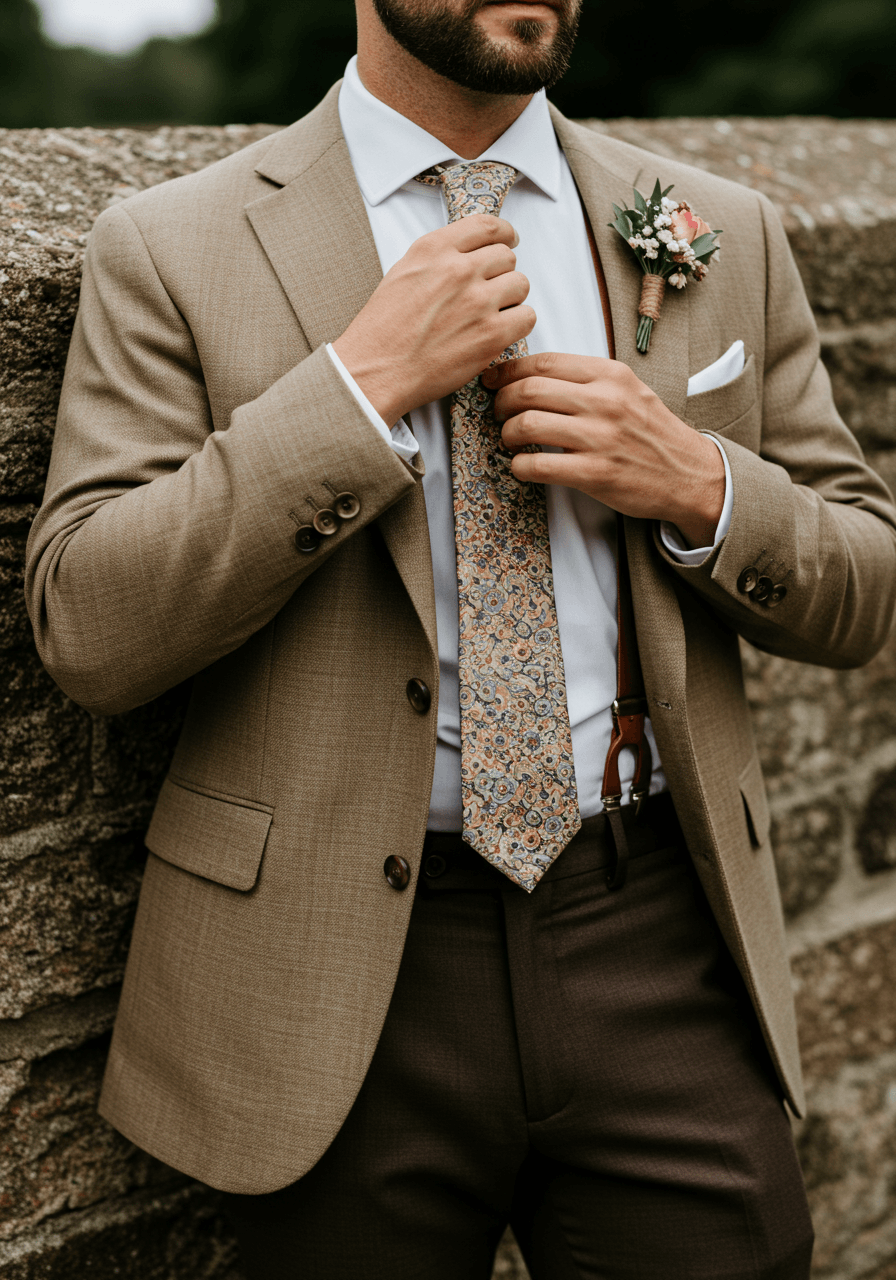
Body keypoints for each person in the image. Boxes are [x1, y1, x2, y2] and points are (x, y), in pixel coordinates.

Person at [24, 0, 896, 1275]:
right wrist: (356, 389)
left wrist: (696, 483)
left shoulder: (719, 226)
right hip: (335, 965)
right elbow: (90, 626)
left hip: (656, 924)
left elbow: (861, 585)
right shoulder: (172, 245)